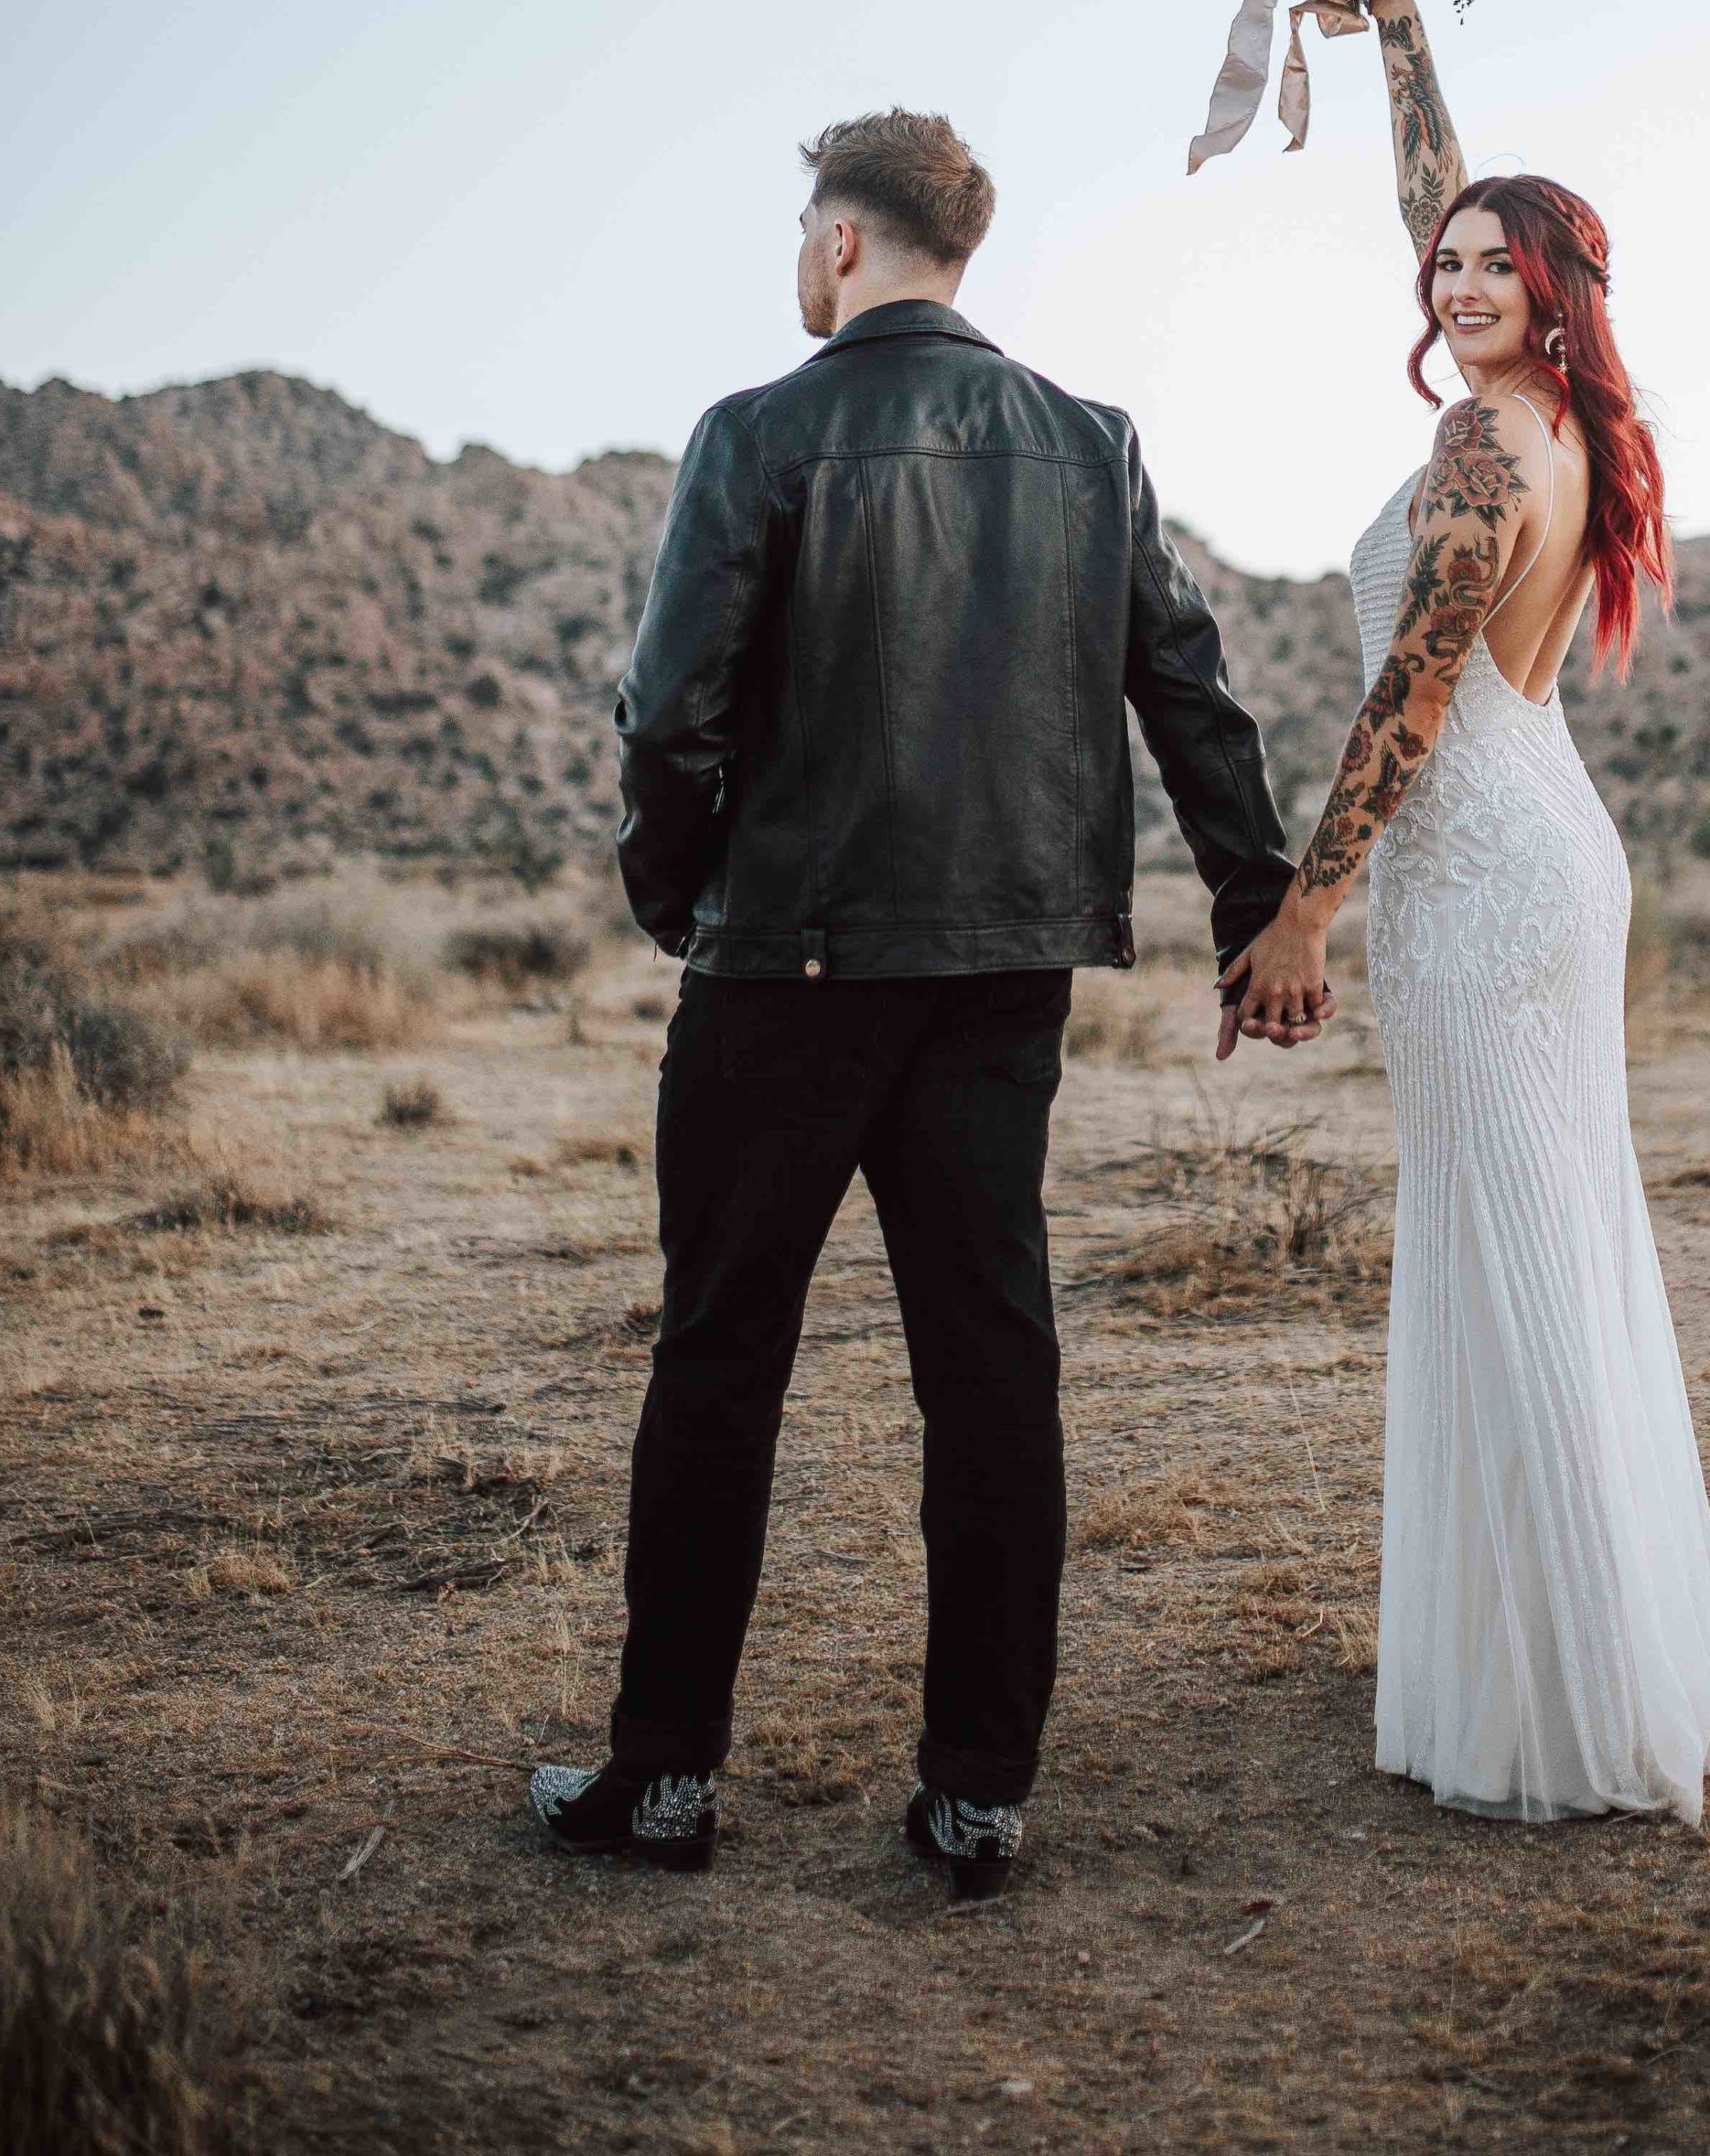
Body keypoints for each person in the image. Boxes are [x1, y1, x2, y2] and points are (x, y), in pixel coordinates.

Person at [529, 108, 1294, 1898]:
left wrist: (677, 892)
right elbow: (1191, 693)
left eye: (805, 225)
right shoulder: (1088, 444)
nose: (799, 256)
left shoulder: (760, 432)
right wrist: (1253, 907)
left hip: (781, 973)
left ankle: (660, 1781)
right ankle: (978, 1790)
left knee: (720, 1356)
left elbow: (670, 711)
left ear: (851, 244)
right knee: (990, 1364)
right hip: (1000, 977)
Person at [1223, 0, 1710, 1824]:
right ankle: (1559, 1645)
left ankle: (1570, 1691)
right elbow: (1446, 185)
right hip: (1546, 842)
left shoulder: (1473, 445)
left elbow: (1406, 694)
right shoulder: (1575, 425)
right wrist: (1390, 8)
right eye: (1438, 262)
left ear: (1546, 289)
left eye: (1485, 264)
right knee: (1545, 1232)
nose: (1450, 276)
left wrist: (1304, 902)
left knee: (1516, 1247)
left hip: (1478, 865)